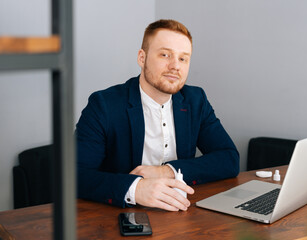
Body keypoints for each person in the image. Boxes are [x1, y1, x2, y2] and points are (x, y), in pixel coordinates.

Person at [76, 19, 239, 212]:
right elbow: (75, 176)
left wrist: (168, 171)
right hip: (121, 216)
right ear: (142, 58)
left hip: (181, 212)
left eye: (183, 58)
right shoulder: (104, 105)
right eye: (165, 54)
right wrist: (135, 188)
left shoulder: (196, 100)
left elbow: (229, 158)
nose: (175, 66)